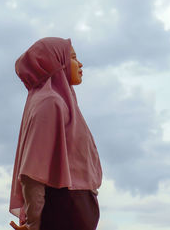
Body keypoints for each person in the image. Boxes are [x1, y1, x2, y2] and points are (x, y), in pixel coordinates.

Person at [9, 37, 103, 230]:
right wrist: (35, 224)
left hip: (70, 209)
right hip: (64, 210)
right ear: (56, 63)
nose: (81, 63)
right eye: (74, 57)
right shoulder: (50, 103)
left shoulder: (57, 102)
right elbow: (32, 173)